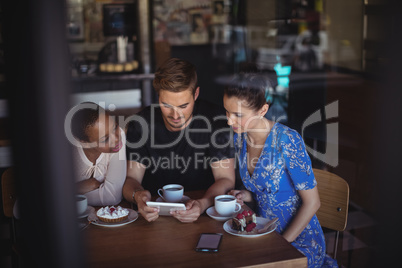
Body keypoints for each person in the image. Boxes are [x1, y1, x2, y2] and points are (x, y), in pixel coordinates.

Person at [223, 73, 337, 267]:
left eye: (238, 115)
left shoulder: (287, 140)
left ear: (262, 110)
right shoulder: (240, 138)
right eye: (227, 112)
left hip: (298, 241)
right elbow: (268, 192)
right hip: (264, 234)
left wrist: (282, 244)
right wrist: (245, 195)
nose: (229, 121)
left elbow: (313, 202)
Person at [123, 57, 235, 223]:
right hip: (154, 216)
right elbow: (131, 180)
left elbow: (225, 179)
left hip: (205, 214)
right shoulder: (140, 124)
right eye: (167, 105)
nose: (175, 116)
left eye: (183, 106)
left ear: (195, 94)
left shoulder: (216, 120)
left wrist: (202, 204)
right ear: (157, 96)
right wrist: (138, 196)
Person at [70, 102, 127, 206]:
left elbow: (113, 197)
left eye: (115, 127)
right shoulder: (68, 153)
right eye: (105, 139)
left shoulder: (119, 137)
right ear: (84, 142)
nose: (117, 139)